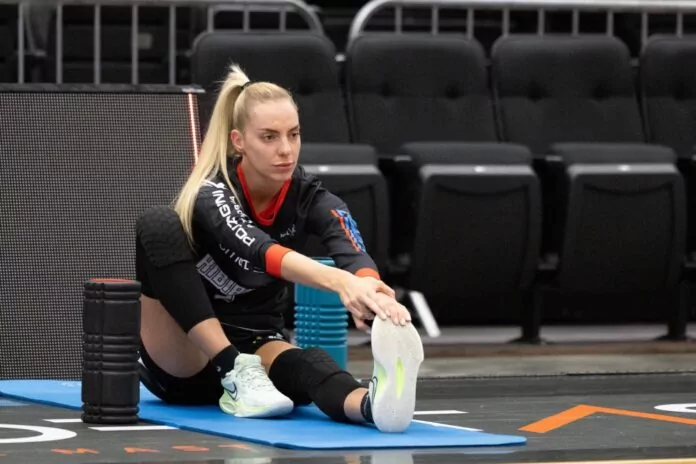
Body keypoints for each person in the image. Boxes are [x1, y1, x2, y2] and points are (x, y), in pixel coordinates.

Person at [134, 64, 424, 433]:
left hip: (257, 345)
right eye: (269, 137)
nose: (285, 150)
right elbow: (259, 249)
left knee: (311, 364)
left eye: (293, 134)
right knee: (158, 223)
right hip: (187, 355)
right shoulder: (213, 192)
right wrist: (341, 283)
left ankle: (373, 406)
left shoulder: (308, 195)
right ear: (239, 141)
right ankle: (232, 369)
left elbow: (349, 247)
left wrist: (371, 290)